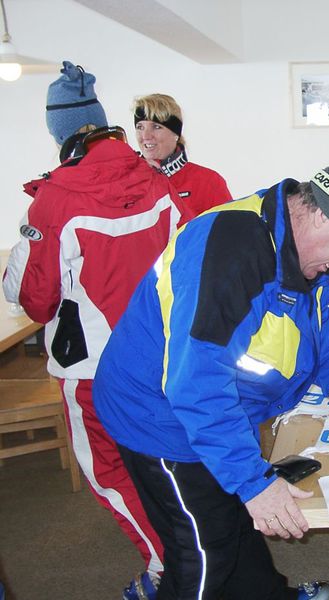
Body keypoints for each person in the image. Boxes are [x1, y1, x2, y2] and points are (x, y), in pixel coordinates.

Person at [93, 162, 329, 600]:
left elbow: (318, 320)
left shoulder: (297, 245)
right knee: (204, 554)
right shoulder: (232, 250)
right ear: (323, 215)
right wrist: (252, 481)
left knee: (231, 523)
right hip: (162, 416)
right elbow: (196, 382)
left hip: (216, 409)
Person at [2, 61, 187, 599]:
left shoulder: (56, 198)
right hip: (160, 352)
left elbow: (34, 299)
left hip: (92, 367)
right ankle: (198, 556)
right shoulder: (154, 179)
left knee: (109, 471)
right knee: (165, 461)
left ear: (59, 131)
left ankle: (170, 572)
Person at [133, 93, 232, 219]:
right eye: (140, 127)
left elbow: (228, 229)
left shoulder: (208, 182)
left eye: (156, 127)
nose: (145, 136)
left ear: (176, 133)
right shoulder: (127, 182)